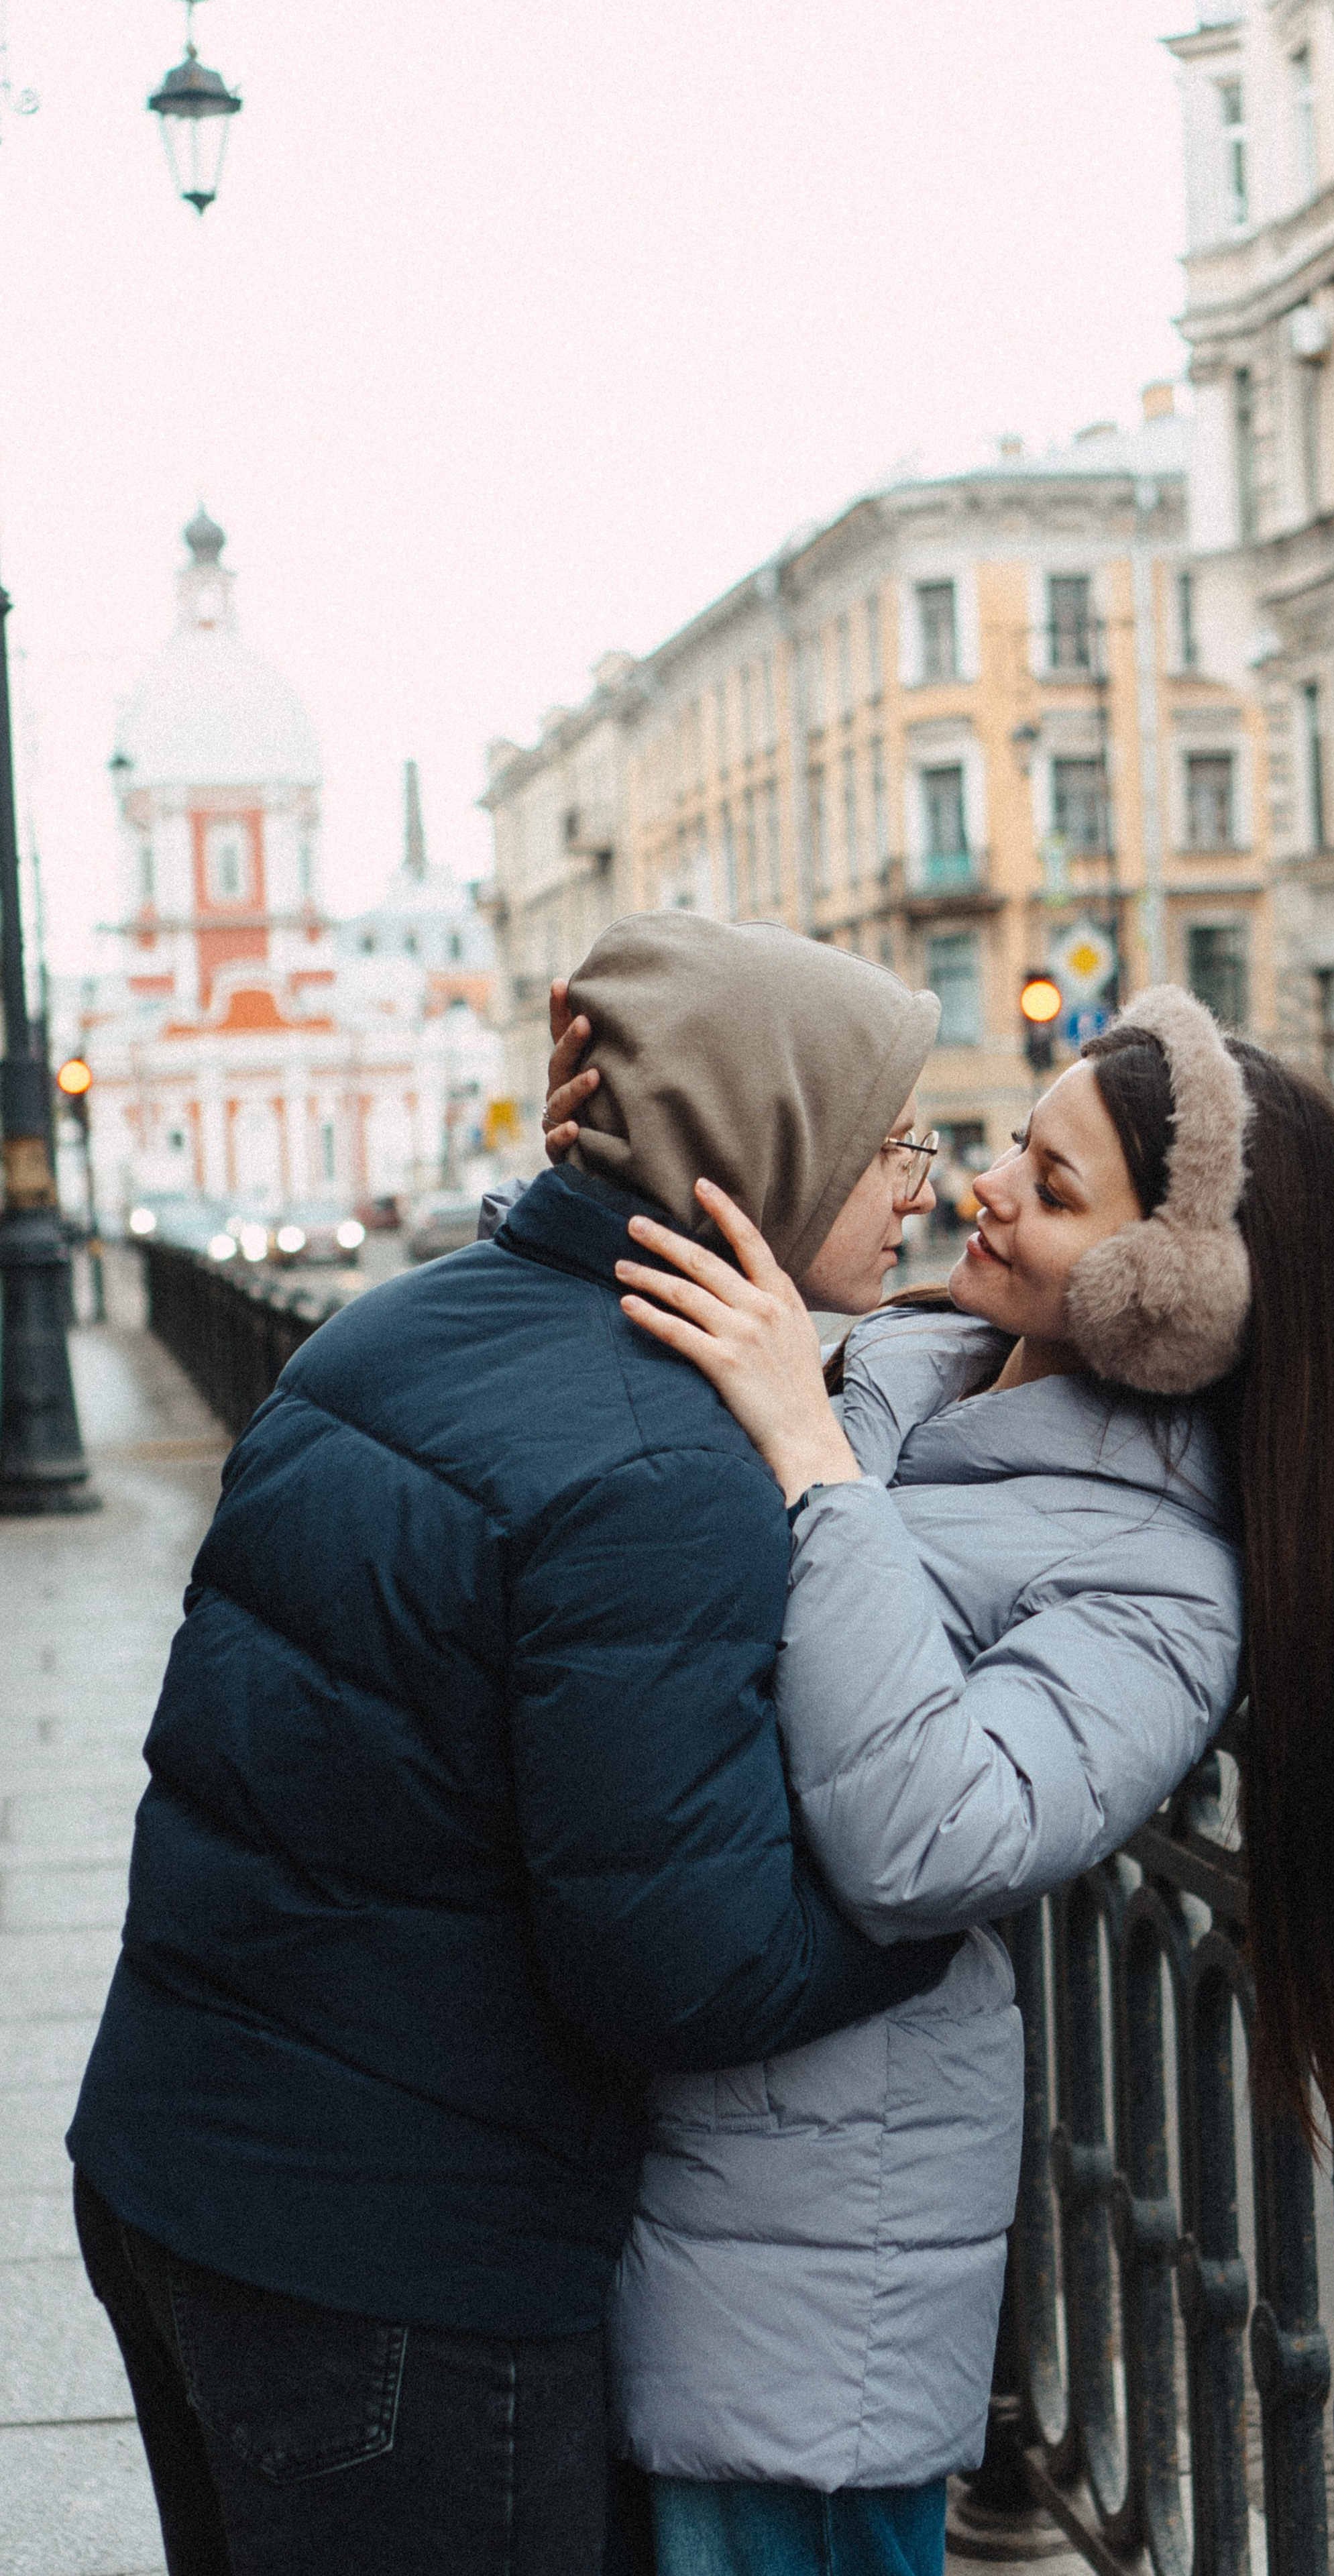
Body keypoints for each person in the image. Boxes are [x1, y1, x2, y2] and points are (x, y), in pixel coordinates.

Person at [66, 913, 962, 2576]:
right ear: (766, 1143)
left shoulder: (386, 1331)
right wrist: (937, 1902)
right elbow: (676, 1971)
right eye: (888, 1138)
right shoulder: (663, 1458)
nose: (923, 1179)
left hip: (169, 2168)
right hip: (395, 2271)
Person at [540, 983, 1334, 2576]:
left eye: (1055, 1185)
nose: (985, 1184)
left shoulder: (1163, 1582)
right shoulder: (902, 1370)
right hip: (659, 2158)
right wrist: (604, 1185)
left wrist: (811, 1463)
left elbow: (931, 1833)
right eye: (1018, 1141)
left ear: (1173, 1287)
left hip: (800, 2287)